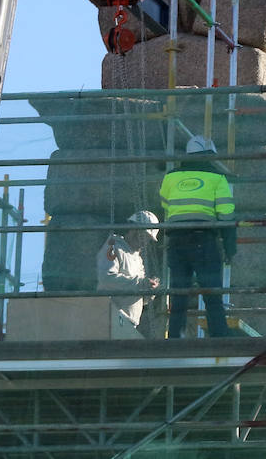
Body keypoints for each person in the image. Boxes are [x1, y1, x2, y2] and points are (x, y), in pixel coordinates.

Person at [159, 135, 236, 338]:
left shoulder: (170, 177)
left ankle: (175, 336)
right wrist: (229, 247)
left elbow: (165, 204)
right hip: (203, 239)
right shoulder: (217, 178)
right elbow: (227, 214)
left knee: (179, 293)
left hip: (176, 240)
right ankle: (219, 335)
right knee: (211, 292)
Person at [96, 210, 161, 328]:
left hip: (129, 323)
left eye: (148, 239)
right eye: (144, 237)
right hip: (112, 319)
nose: (145, 243)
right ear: (134, 229)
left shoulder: (137, 259)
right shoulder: (113, 246)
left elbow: (137, 294)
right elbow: (106, 278)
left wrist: (149, 291)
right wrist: (141, 284)